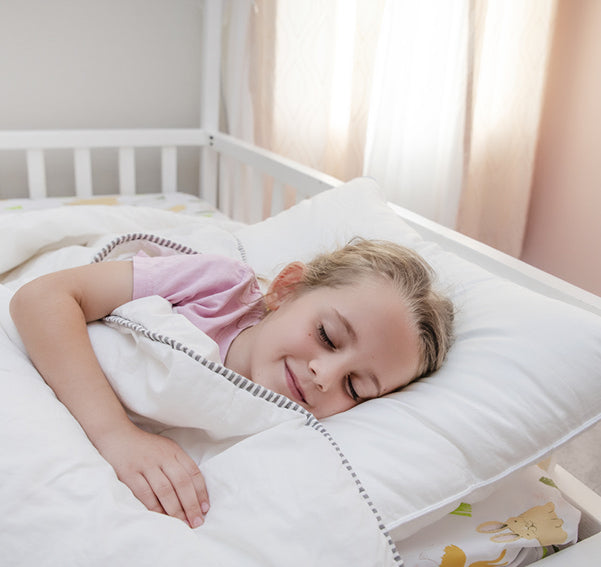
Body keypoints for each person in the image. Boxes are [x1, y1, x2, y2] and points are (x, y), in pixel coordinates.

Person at [9, 237, 453, 530]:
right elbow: (43, 298)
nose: (325, 376)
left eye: (356, 388)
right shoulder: (218, 288)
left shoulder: (290, 429)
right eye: (328, 337)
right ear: (286, 289)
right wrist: (117, 435)